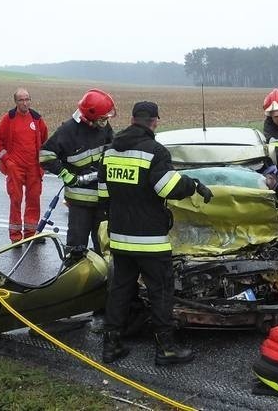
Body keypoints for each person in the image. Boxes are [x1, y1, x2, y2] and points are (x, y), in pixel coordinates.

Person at [98, 101, 213, 365]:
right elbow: (166, 187)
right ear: (155, 121)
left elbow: (103, 194)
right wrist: (193, 185)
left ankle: (111, 346)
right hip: (150, 240)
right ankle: (166, 349)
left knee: (119, 291)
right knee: (161, 291)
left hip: (120, 238)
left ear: (132, 119)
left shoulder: (111, 150)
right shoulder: (155, 151)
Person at [39, 89, 115, 255]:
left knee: (104, 245)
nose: (105, 121)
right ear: (91, 115)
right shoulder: (68, 130)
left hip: (102, 198)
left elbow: (112, 147)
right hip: (79, 202)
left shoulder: (103, 126)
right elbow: (45, 155)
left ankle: (105, 279)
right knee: (76, 248)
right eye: (102, 118)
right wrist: (67, 176)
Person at [0, 88, 49, 244]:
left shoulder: (37, 119)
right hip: (15, 167)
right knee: (16, 200)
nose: (25, 103)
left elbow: (44, 142)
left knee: (34, 200)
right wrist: (8, 162)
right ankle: (16, 236)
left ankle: (31, 234)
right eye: (21, 100)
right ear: (15, 102)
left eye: (27, 99)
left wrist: (42, 163)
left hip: (33, 167)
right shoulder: (8, 119)